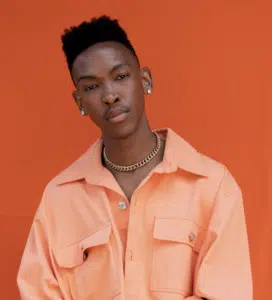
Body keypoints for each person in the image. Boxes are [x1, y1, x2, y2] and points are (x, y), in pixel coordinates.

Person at [17, 15, 252, 300]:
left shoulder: (212, 186)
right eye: (92, 87)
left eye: (120, 77)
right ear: (79, 102)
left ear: (145, 81)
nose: (109, 96)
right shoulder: (58, 199)